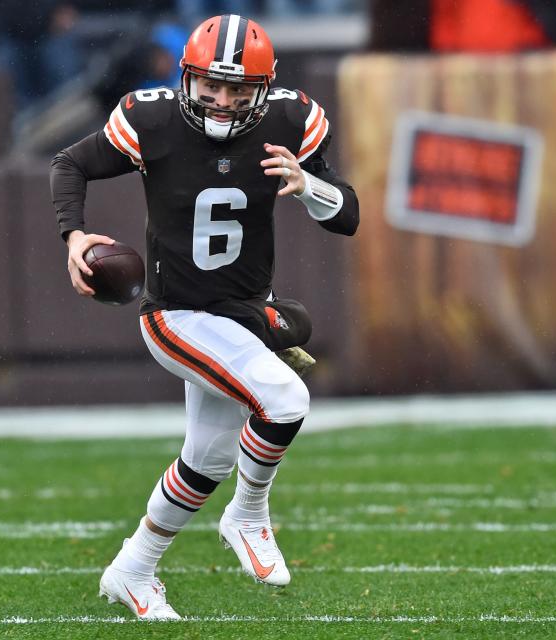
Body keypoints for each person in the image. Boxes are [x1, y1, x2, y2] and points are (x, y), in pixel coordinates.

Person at [50, 13, 358, 620]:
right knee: (286, 400)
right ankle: (247, 515)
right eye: (211, 85)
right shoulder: (152, 119)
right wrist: (74, 237)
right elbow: (70, 164)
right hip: (177, 314)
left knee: (209, 458)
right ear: (187, 76)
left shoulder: (292, 120)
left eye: (239, 89)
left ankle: (132, 569)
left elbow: (346, 215)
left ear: (263, 90)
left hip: (241, 315)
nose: (222, 100)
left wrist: (308, 186)